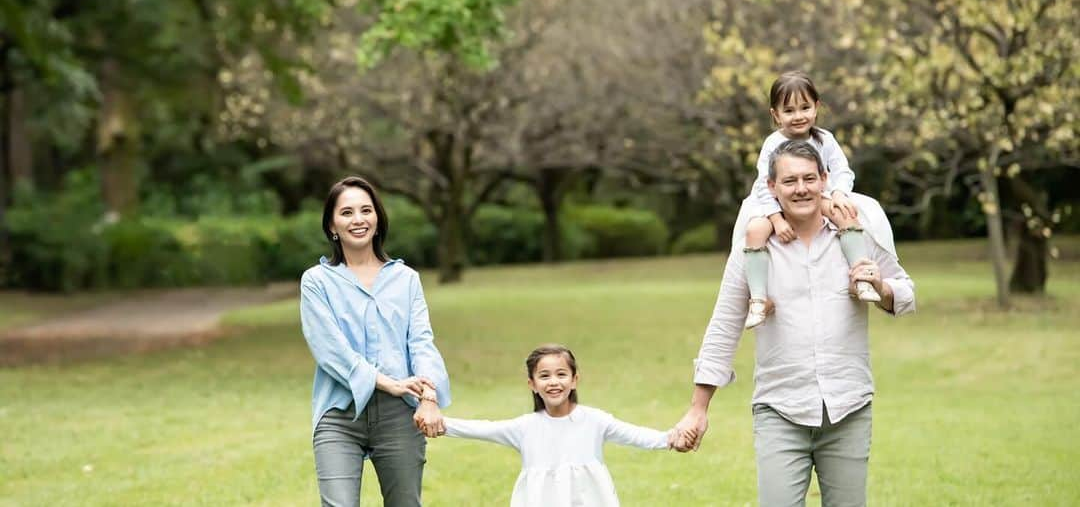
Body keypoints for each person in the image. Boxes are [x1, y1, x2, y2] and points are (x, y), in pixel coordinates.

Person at [675, 140, 915, 507]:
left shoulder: (856, 233)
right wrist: (698, 408)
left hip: (848, 406)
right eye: (789, 181)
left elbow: (906, 293)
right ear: (772, 188)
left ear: (824, 179)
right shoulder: (753, 249)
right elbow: (724, 325)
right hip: (780, 409)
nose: (801, 188)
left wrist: (879, 286)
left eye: (808, 178)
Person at [299, 175, 451, 507]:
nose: (358, 220)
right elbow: (330, 350)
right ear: (332, 226)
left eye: (366, 210)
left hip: (400, 416)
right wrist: (388, 383)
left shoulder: (406, 279)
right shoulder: (316, 281)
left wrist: (428, 395)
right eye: (347, 212)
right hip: (339, 414)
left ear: (378, 219)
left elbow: (421, 341)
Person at [421, 344, 675, 507]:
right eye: (544, 376)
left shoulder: (595, 421)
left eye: (561, 374)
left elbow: (635, 435)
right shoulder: (525, 428)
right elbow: (483, 428)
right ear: (532, 384)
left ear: (575, 380)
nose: (554, 382)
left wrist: (670, 438)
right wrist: (438, 422)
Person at [739, 71, 878, 329]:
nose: (798, 115)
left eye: (805, 107)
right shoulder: (772, 144)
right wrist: (777, 220)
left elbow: (841, 170)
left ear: (817, 107)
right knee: (754, 230)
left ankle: (861, 278)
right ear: (775, 115)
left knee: (846, 214)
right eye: (789, 110)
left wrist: (838, 193)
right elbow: (762, 185)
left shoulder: (824, 139)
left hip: (817, 195)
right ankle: (758, 298)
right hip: (775, 201)